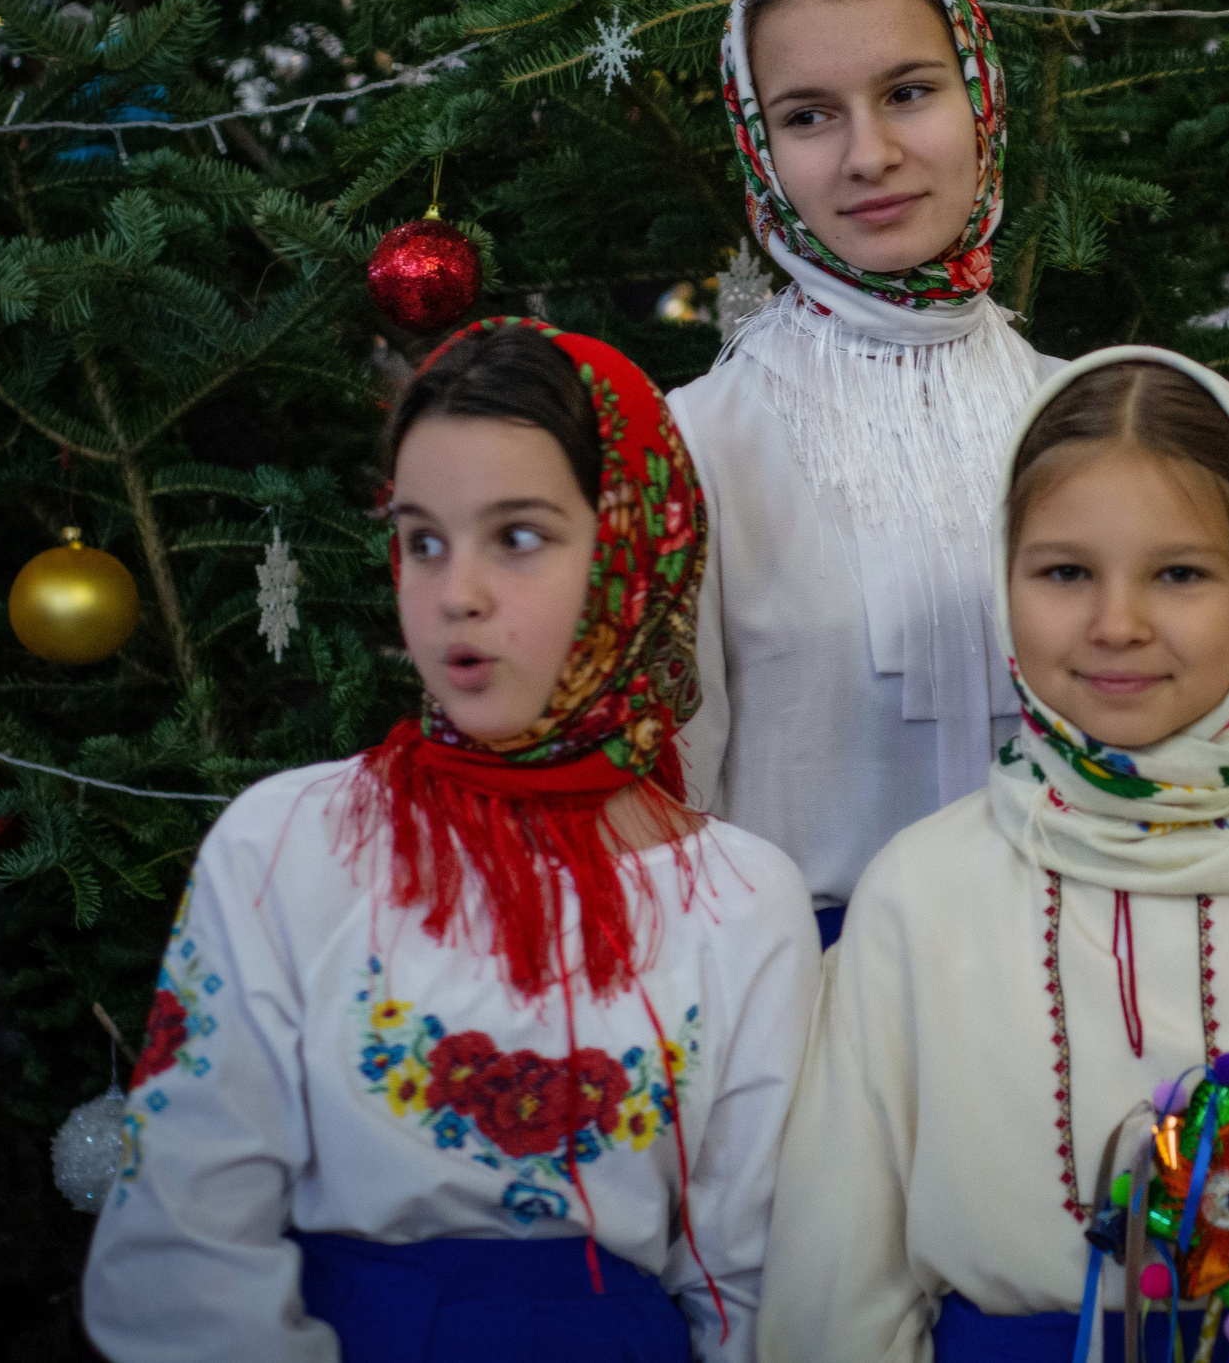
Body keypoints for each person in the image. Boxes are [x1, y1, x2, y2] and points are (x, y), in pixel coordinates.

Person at [756, 347, 1229, 1362]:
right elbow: (837, 1289)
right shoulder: (919, 896)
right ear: (1003, 580)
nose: (1117, 624)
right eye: (1065, 572)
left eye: (1180, 573)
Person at [82, 319, 819, 1363]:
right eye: (423, 538)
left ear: (632, 550)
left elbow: (753, 1284)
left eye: (517, 536)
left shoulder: (739, 899)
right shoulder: (289, 845)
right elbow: (180, 1248)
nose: (455, 593)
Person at [674, 0, 1056, 947]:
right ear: (757, 144)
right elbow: (668, 812)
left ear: (979, 96)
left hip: (1079, 1020)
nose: (869, 154)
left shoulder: (1086, 417)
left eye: (907, 93)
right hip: (806, 1015)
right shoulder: (698, 448)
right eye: (807, 116)